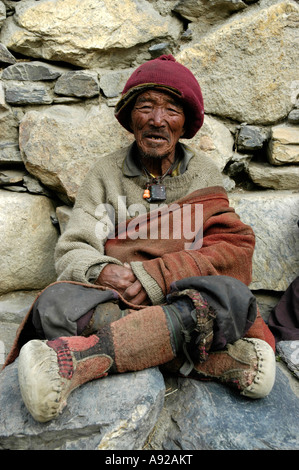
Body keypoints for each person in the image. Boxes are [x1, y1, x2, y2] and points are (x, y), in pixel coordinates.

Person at [8, 55, 276, 423]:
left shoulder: (203, 175)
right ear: (130, 117)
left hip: (182, 298)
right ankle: (206, 360)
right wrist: (107, 273)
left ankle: (79, 360)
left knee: (233, 297)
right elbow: (73, 249)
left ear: (185, 124)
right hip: (122, 299)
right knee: (54, 302)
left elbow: (232, 251)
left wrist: (156, 276)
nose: (157, 119)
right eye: (146, 106)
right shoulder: (105, 173)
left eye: (171, 109)